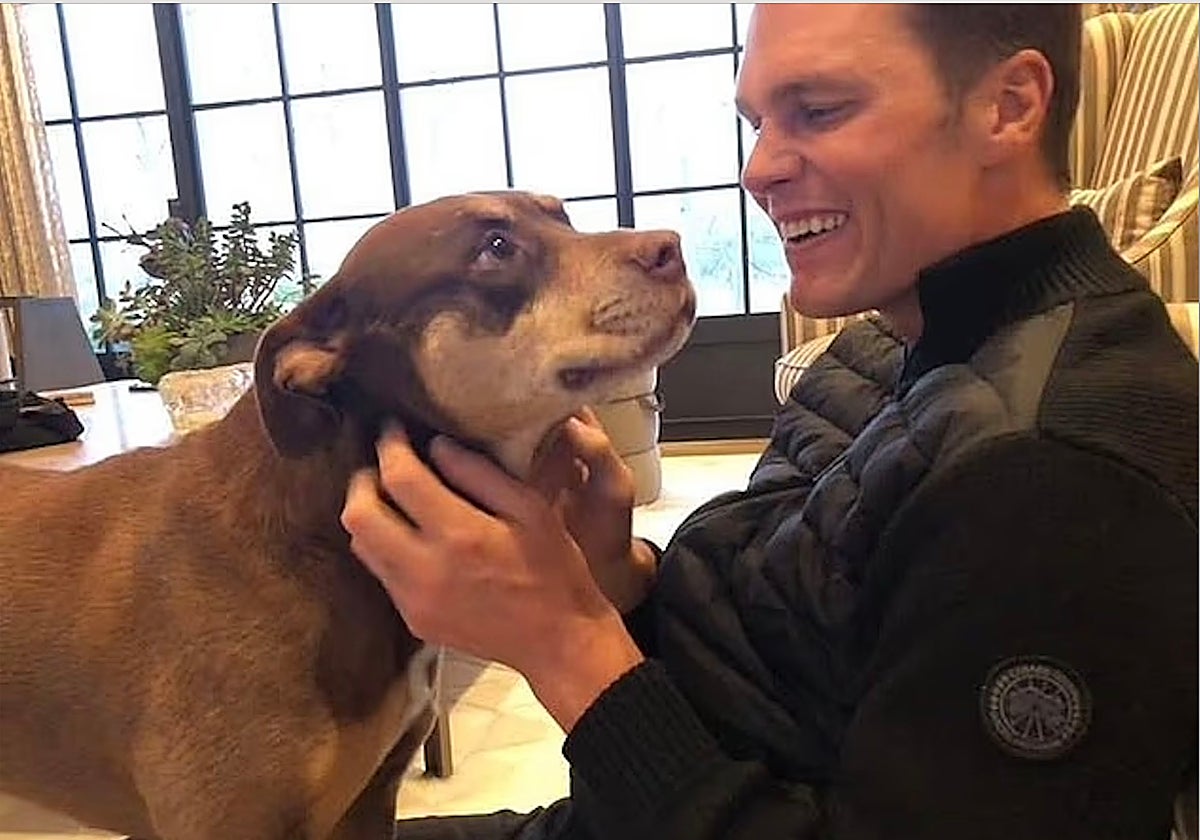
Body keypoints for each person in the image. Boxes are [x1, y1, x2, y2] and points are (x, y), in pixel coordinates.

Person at [340, 4, 1199, 838]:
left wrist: (565, 645)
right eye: (758, 121)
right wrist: (612, 577)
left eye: (819, 111)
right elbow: (772, 686)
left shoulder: (1058, 482)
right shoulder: (885, 346)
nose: (759, 168)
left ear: (1006, 107)